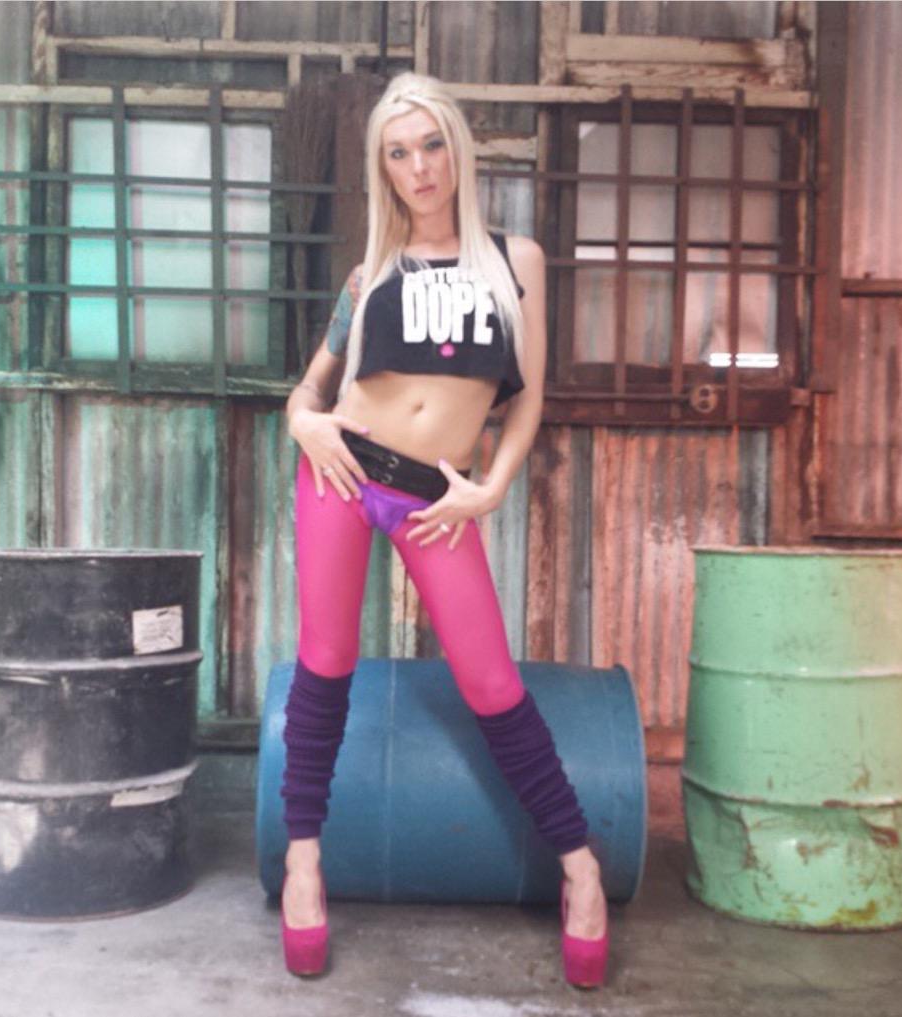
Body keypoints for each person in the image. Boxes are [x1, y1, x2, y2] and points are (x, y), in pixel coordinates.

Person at [278, 71, 608, 987]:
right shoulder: (369, 273)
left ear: (458, 148)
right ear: (382, 168)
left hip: (439, 493)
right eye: (398, 152)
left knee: (491, 681)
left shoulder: (515, 260)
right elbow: (309, 388)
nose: (419, 167)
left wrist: (490, 488)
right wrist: (305, 422)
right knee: (325, 662)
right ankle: (304, 862)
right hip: (343, 470)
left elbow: (529, 398)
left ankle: (581, 868)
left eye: (431, 145)